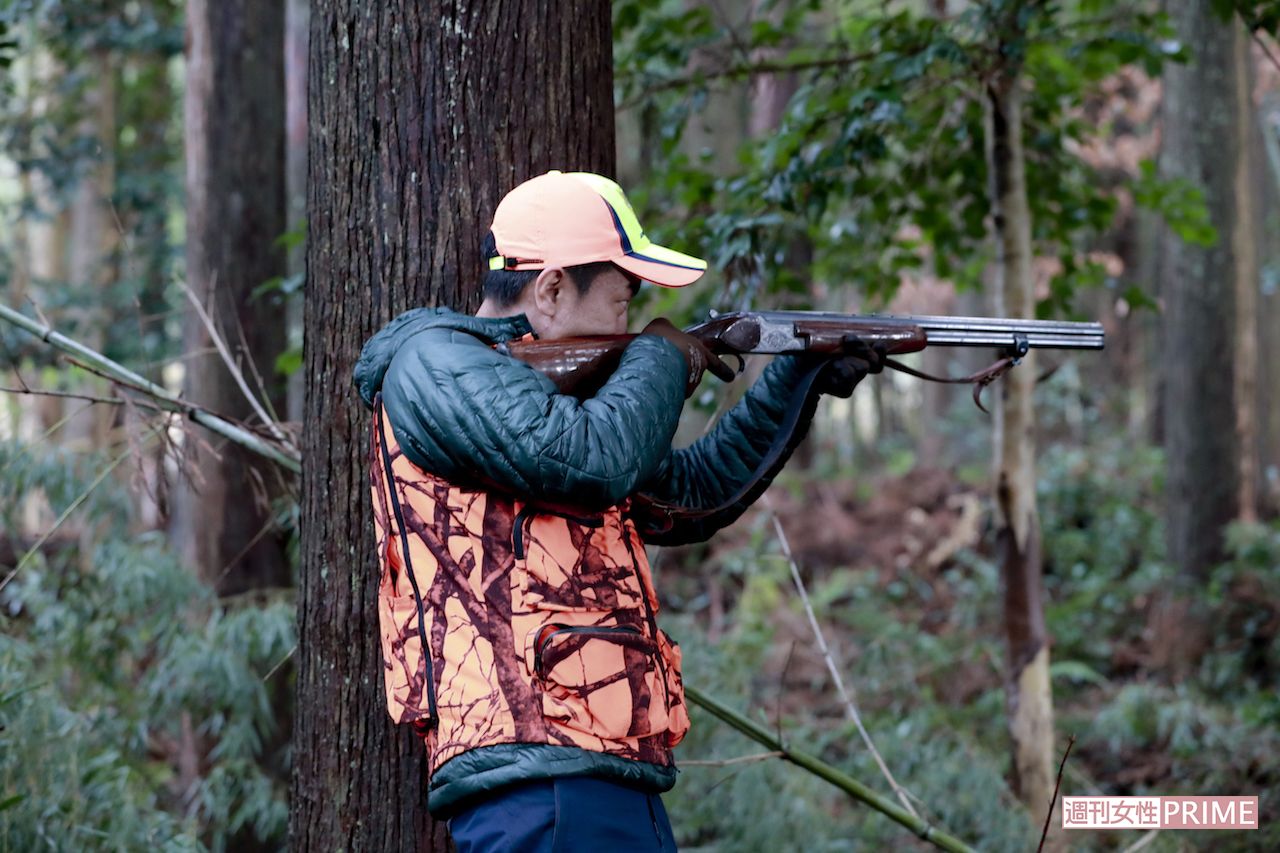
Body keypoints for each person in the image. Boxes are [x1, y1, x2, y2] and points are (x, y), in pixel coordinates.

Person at [353, 170, 878, 852]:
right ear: (549, 288)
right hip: (540, 777)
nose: (631, 323)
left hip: (594, 765)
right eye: (623, 302)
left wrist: (795, 377)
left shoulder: (560, 411)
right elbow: (595, 460)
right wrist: (663, 356)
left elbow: (689, 492)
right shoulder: (436, 363)